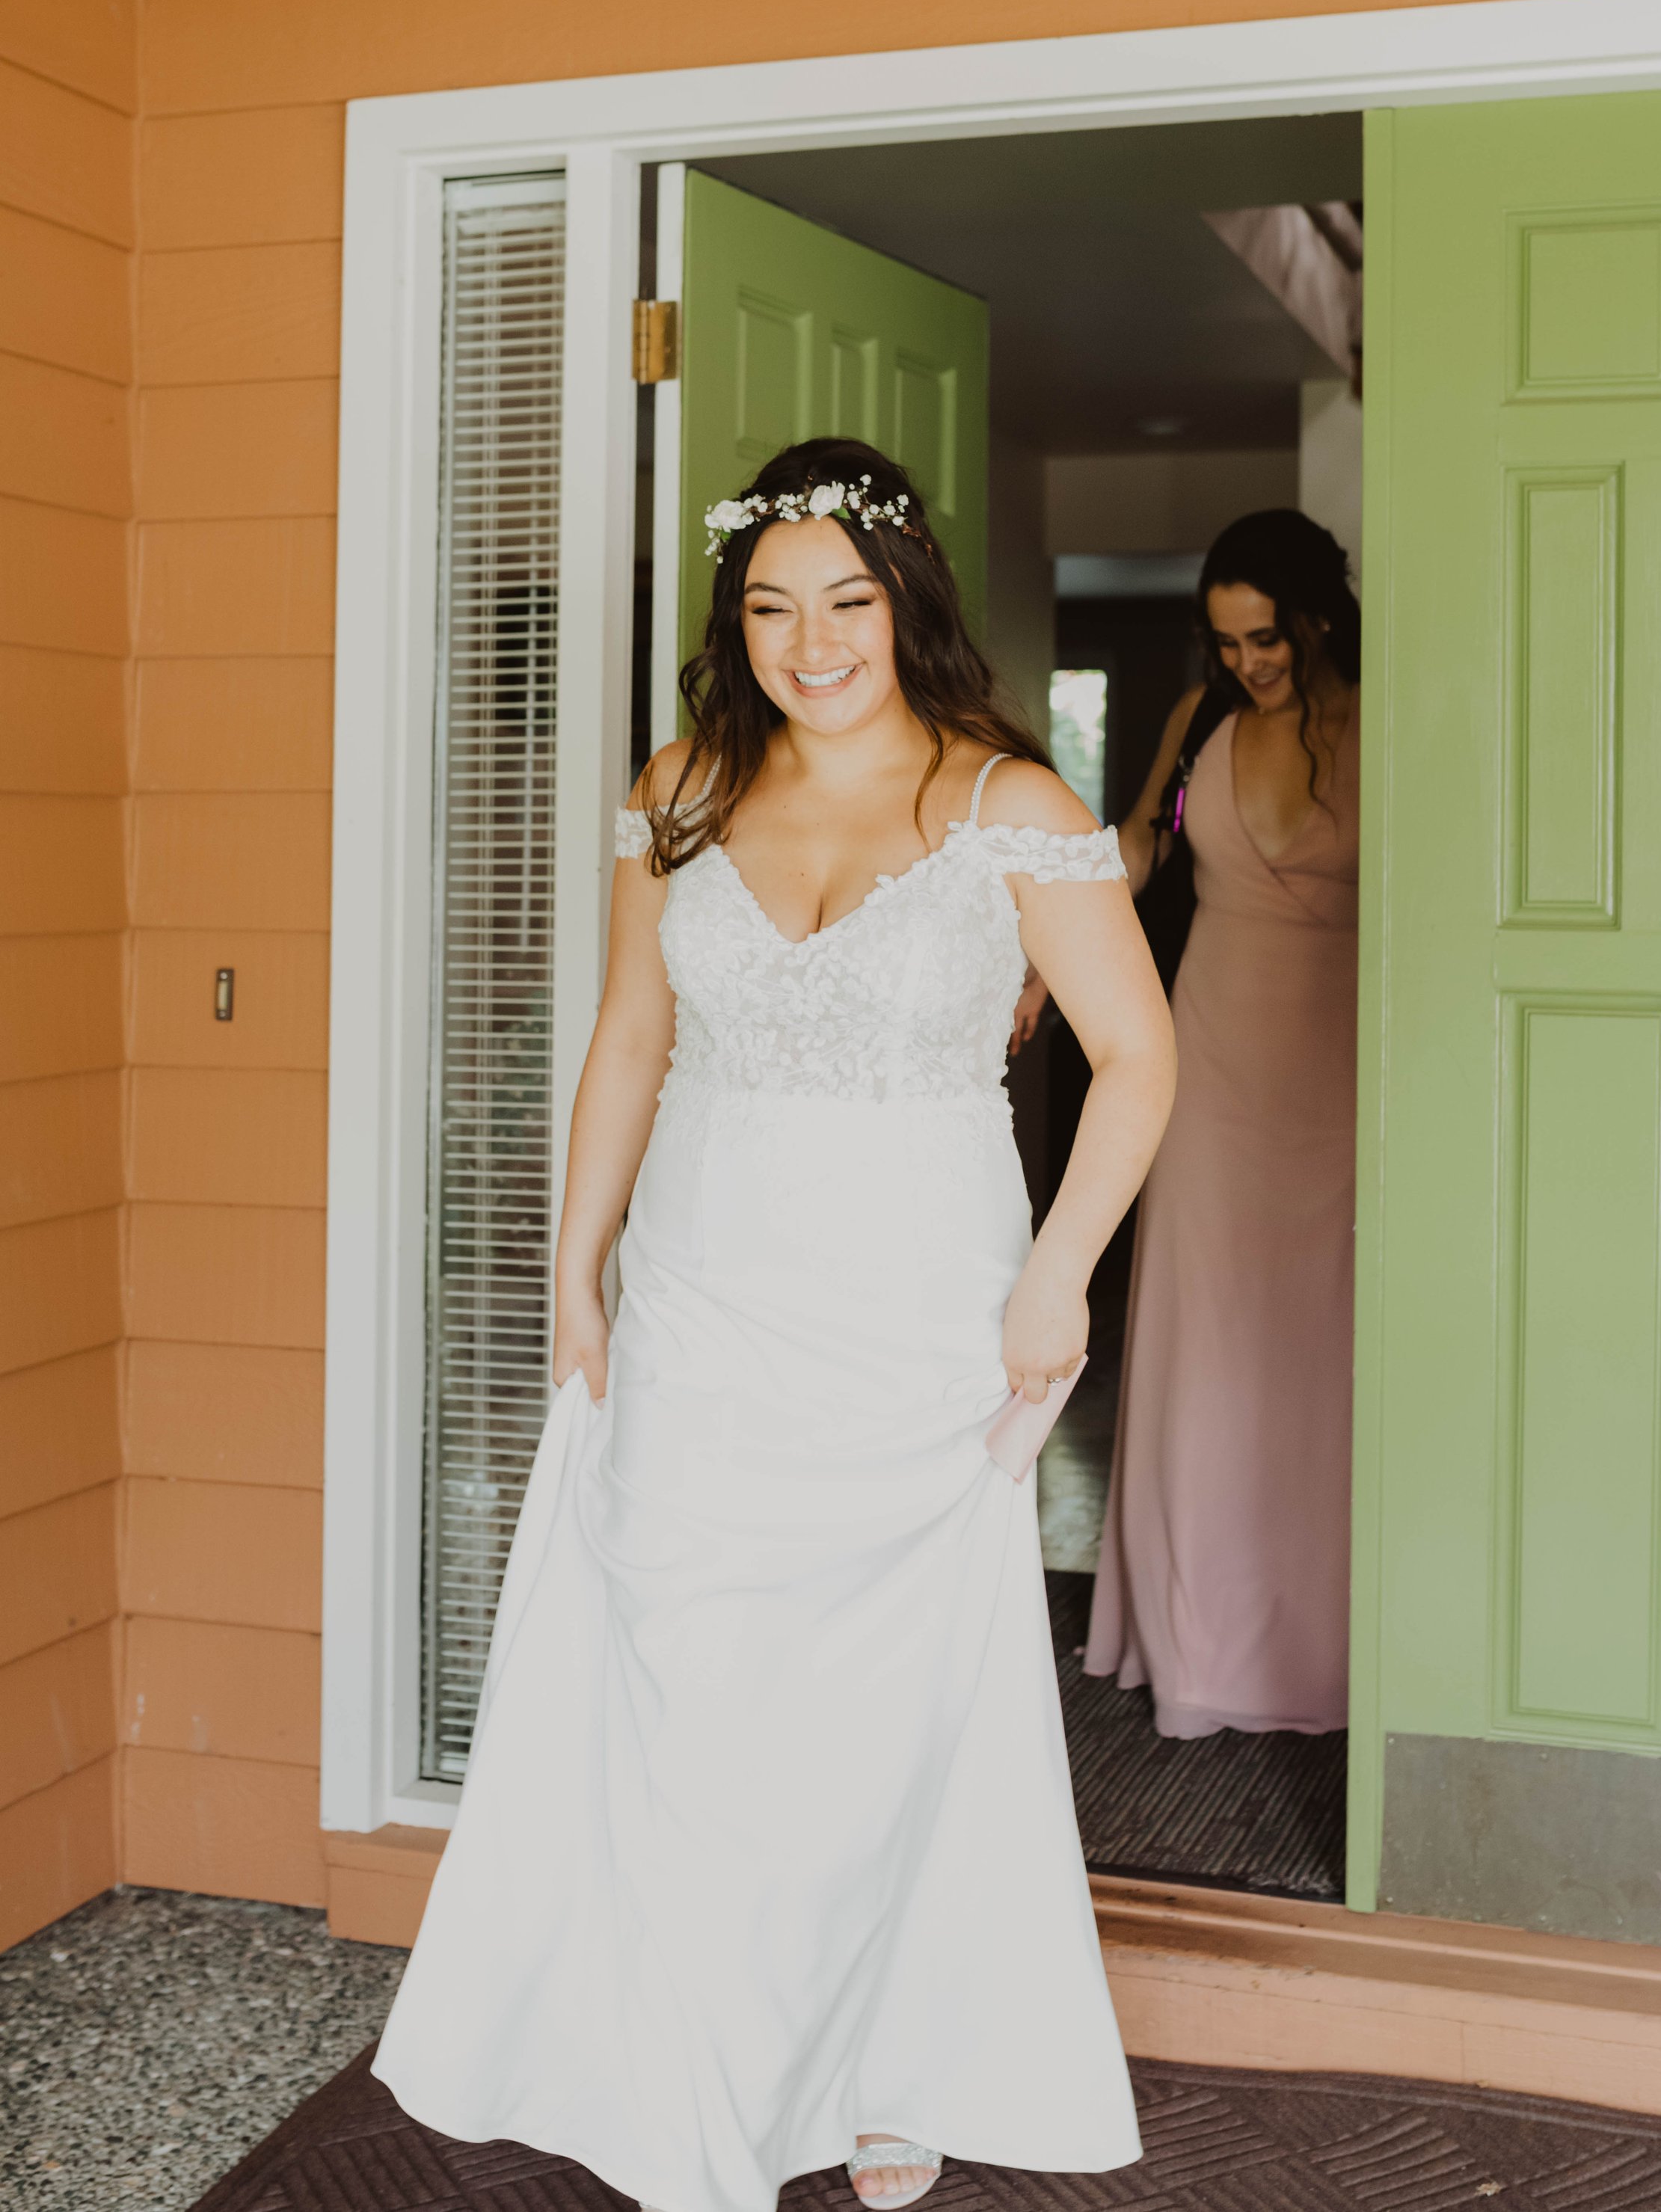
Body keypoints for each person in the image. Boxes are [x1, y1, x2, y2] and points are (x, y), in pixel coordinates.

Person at [374, 438, 1176, 2212]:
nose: (809, 642)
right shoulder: (676, 788)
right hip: (702, 1299)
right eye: (768, 607)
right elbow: (632, 1042)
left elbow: (1137, 1059)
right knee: (688, 1678)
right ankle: (693, 2063)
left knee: (889, 1715)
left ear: (905, 606)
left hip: (918, 1317)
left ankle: (889, 2054)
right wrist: (571, 1265)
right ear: (733, 624)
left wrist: (1057, 1276)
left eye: (844, 602)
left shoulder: (1011, 808)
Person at [1082, 510, 1360, 1738]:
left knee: (1323, 1355)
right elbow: (1147, 843)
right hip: (1212, 1065)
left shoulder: (1393, 721)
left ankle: (1331, 1651)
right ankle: (1197, 1644)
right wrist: (1057, 924)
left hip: (1347, 1068)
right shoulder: (1201, 726)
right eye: (1227, 639)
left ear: (1317, 617)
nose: (1248, 661)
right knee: (1207, 1344)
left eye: (1267, 636)